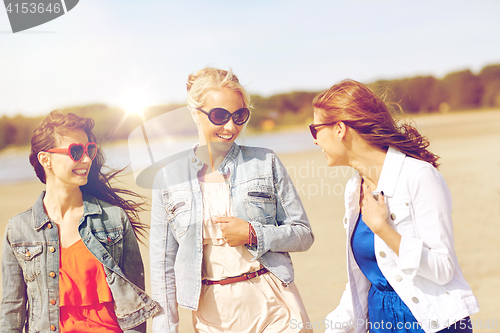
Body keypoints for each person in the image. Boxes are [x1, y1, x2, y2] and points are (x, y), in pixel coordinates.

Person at [150, 67, 314, 333]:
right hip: (212, 317)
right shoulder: (168, 177)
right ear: (195, 112)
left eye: (239, 116)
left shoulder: (265, 161)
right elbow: (161, 269)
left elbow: (303, 234)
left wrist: (253, 233)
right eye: (219, 116)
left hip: (274, 305)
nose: (231, 126)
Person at [310, 79, 479, 333]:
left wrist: (383, 229)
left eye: (315, 130)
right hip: (380, 323)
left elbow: (443, 269)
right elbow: (363, 278)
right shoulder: (354, 189)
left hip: (430, 323)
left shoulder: (420, 175)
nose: (314, 141)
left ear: (339, 129)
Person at [1, 111, 159, 333]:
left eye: (89, 150)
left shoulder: (114, 219)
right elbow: (11, 310)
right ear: (45, 159)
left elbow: (135, 310)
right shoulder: (18, 230)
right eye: (76, 151)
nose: (86, 159)